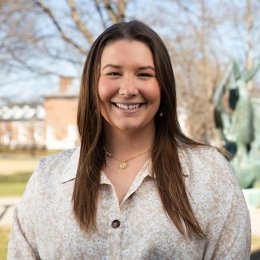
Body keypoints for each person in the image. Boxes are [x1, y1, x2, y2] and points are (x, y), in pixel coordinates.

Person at [8, 20, 251, 259]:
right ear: (93, 84)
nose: (128, 89)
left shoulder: (210, 174)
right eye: (114, 73)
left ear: (163, 86)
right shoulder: (47, 179)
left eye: (144, 74)